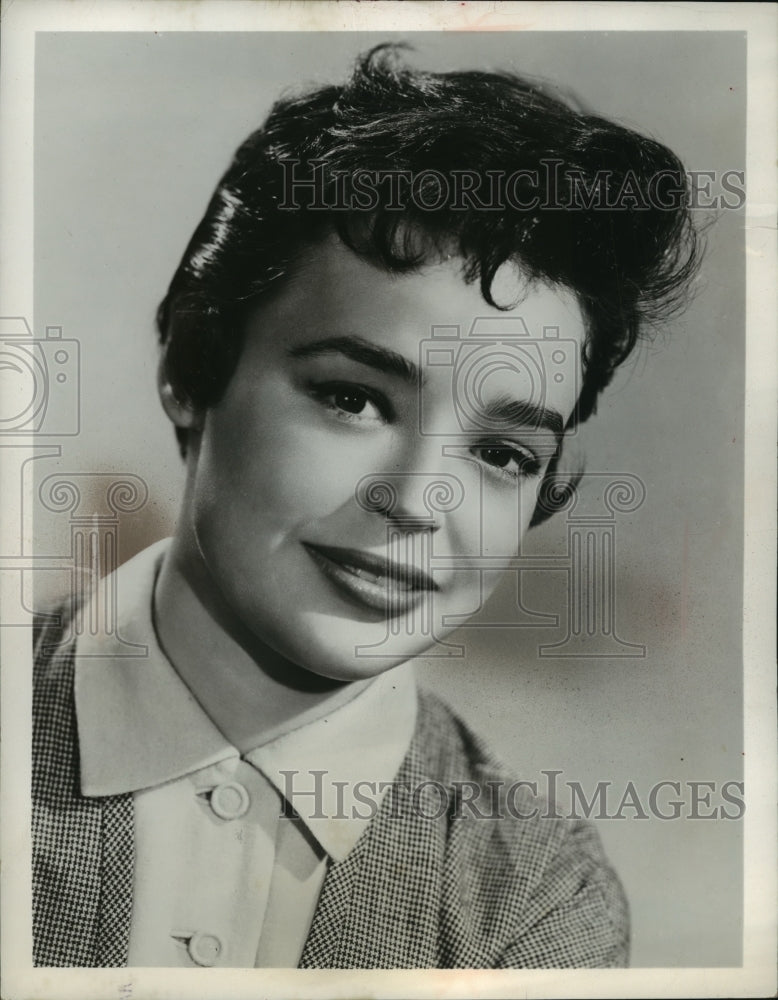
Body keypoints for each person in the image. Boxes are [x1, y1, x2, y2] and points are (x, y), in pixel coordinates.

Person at [32, 44, 699, 969]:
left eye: (502, 455)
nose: (419, 500)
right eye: (352, 398)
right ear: (192, 366)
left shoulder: (541, 901)